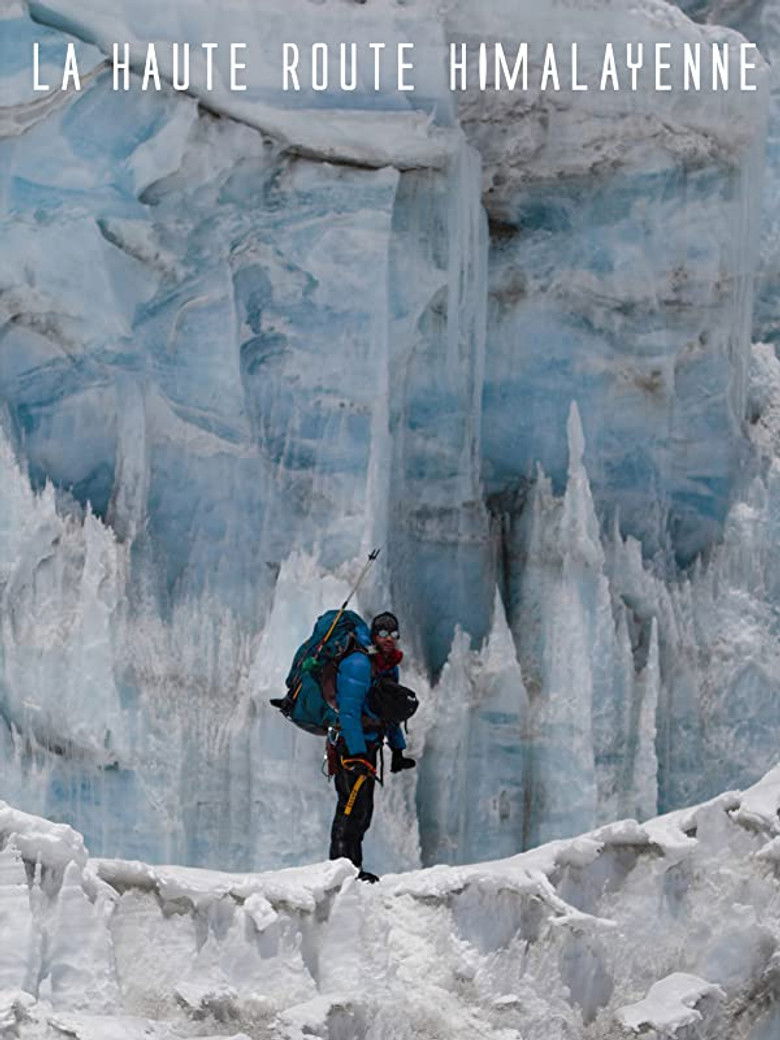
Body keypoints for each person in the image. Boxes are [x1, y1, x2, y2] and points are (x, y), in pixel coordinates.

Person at [328, 611, 416, 882]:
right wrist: (356, 754)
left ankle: (353, 869)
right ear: (374, 634)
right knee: (350, 807)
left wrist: (397, 750)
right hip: (350, 747)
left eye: (394, 634)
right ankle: (340, 871)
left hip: (370, 745)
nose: (389, 639)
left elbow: (388, 709)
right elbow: (349, 714)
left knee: (363, 810)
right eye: (383, 633)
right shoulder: (358, 664)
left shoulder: (388, 665)